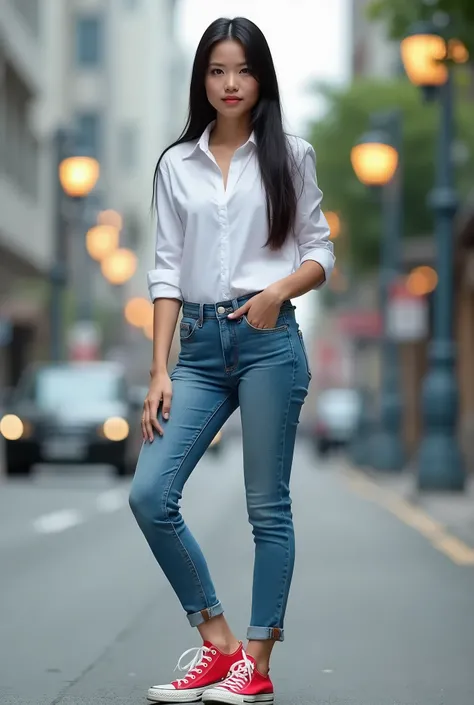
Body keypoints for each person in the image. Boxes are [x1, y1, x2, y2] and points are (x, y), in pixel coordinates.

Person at [129, 16, 334, 705]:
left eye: (242, 70)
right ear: (203, 80)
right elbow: (164, 272)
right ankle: (217, 643)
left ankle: (258, 658)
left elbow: (320, 251)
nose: (230, 83)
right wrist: (159, 368)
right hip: (199, 347)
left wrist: (278, 290)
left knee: (266, 509)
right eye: (216, 70)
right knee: (150, 493)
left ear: (261, 77)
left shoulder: (290, 155)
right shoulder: (175, 163)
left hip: (269, 340)